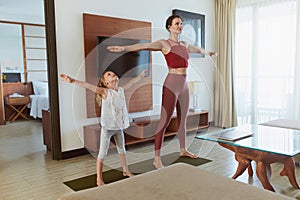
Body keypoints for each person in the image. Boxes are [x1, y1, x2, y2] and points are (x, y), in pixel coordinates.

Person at [107, 14, 217, 169]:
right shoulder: (164, 44)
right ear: (169, 27)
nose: (180, 26)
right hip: (171, 84)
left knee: (182, 120)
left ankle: (183, 150)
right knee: (164, 122)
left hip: (184, 85)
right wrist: (123, 48)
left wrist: (209, 52)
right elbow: (143, 46)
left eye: (181, 23)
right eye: (177, 23)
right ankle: (156, 158)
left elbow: (197, 49)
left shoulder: (184, 44)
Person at [60, 69, 146, 186]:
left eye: (112, 73)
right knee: (102, 153)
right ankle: (99, 178)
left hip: (118, 127)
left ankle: (125, 171)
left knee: (122, 149)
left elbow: (132, 83)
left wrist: (140, 76)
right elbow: (87, 85)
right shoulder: (105, 92)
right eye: (108, 75)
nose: (112, 74)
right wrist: (72, 81)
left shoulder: (121, 90)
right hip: (108, 128)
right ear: (106, 83)